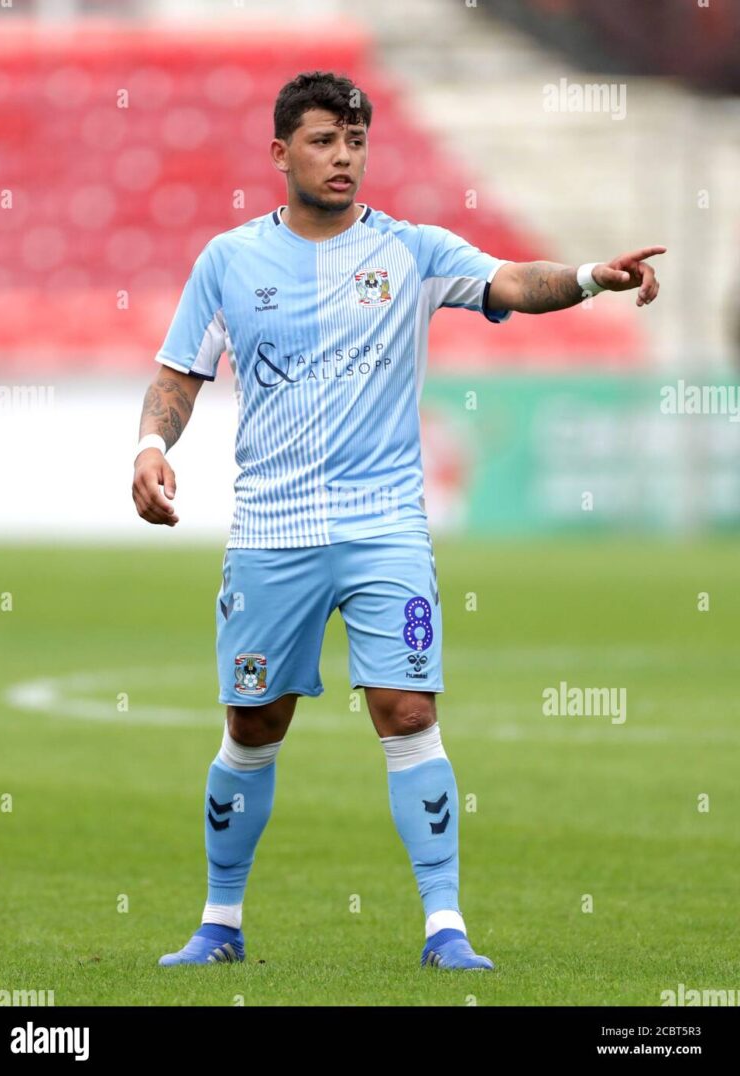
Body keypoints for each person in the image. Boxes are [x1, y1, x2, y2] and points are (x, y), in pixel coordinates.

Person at [132, 70, 664, 971]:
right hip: (272, 531)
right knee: (254, 724)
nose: (344, 158)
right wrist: (151, 447)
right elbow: (181, 372)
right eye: (323, 141)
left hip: (386, 528)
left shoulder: (410, 251)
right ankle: (220, 923)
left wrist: (586, 277)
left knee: (407, 707)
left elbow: (509, 281)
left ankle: (445, 928)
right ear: (280, 152)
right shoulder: (228, 260)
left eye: (356, 143)